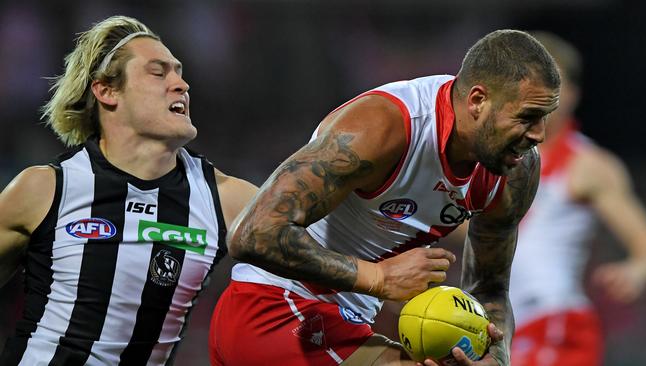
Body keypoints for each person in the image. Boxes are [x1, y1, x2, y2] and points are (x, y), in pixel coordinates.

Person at [210, 29, 561, 366]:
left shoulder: (515, 171)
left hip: (342, 323)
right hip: (272, 311)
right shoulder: (385, 125)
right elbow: (252, 234)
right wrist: (376, 278)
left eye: (545, 117)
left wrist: (495, 357)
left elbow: (490, 285)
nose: (539, 135)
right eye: (528, 117)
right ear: (478, 101)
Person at [0, 16, 257, 366]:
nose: (181, 84)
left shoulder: (227, 200)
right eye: (158, 72)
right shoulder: (44, 190)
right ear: (106, 91)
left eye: (179, 72)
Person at [508, 32, 646, 366]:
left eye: (549, 85)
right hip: (510, 326)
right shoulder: (502, 162)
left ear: (571, 93)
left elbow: (645, 241)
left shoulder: (588, 165)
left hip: (555, 320)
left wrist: (635, 270)